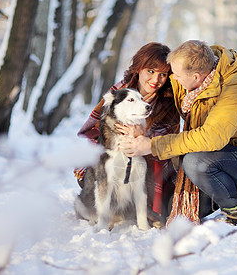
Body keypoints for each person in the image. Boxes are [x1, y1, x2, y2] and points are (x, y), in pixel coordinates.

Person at [119, 40, 237, 225]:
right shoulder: (189, 76)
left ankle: (236, 206)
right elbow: (151, 83)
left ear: (196, 76)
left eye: (175, 74)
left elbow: (212, 138)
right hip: (212, 156)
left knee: (195, 162)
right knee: (171, 213)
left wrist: (152, 145)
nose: (172, 78)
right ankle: (220, 188)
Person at [75, 42, 181, 227]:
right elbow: (95, 132)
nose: (156, 79)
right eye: (151, 71)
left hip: (150, 165)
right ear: (139, 68)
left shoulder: (168, 103)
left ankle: (147, 209)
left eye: (163, 74)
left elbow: (169, 145)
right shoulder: (119, 93)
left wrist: (145, 137)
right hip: (110, 161)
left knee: (165, 206)